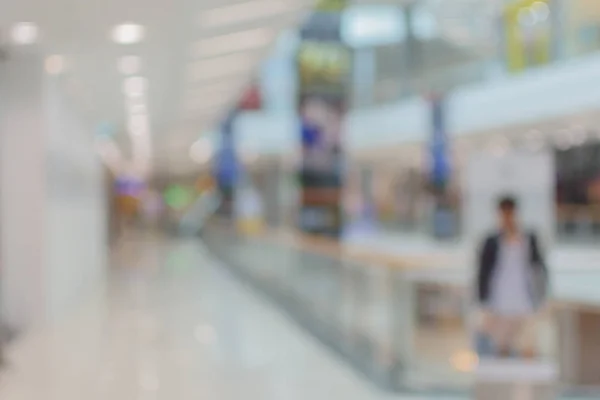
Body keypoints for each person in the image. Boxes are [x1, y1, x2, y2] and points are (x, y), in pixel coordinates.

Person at [476, 196, 549, 357]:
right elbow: (483, 272)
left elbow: (540, 268)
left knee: (528, 344)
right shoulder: (491, 241)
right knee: (502, 344)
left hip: (525, 298)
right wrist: (483, 301)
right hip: (500, 300)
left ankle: (528, 380)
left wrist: (543, 295)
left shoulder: (529, 238)